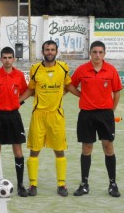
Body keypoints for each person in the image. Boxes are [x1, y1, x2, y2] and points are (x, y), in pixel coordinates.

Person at [19, 40, 80, 197]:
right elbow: (31, 89)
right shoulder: (35, 69)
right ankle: (33, 184)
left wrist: (83, 95)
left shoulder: (63, 68)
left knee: (59, 151)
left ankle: (61, 185)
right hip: (38, 115)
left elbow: (69, 86)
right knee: (34, 151)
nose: (50, 52)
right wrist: (16, 101)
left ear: (56, 51)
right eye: (47, 49)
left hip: (56, 116)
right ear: (43, 51)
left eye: (53, 49)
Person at [71, 41, 123, 197]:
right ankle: (84, 184)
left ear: (104, 54)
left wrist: (110, 111)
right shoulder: (82, 69)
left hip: (105, 114)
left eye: (100, 52)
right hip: (86, 114)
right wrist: (82, 95)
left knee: (108, 147)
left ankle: (113, 184)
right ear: (90, 53)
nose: (97, 55)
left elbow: (117, 92)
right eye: (94, 52)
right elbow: (71, 85)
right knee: (86, 148)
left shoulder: (111, 70)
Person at [0, 47, 28, 197]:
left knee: (18, 150)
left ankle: (21, 185)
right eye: (5, 57)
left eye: (10, 57)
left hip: (14, 116)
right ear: (1, 59)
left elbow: (26, 91)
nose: (7, 60)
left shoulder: (19, 75)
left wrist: (16, 101)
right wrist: (2, 101)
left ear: (13, 59)